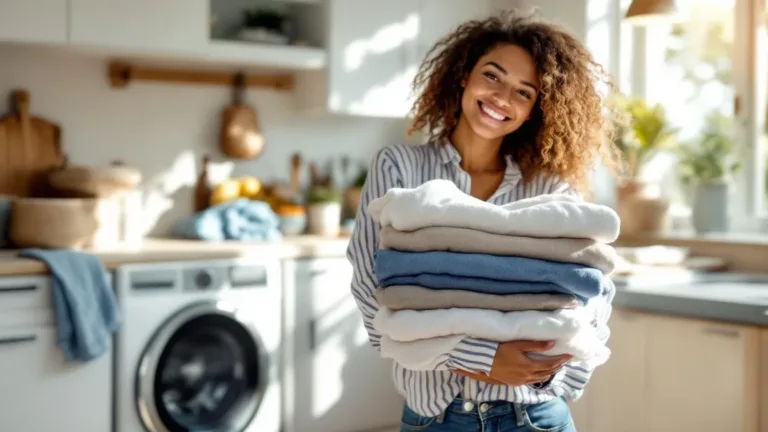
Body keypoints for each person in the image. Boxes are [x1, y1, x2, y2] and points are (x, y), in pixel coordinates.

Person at [347, 10, 620, 432]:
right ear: (463, 75)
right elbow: (374, 291)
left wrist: (549, 372)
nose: (501, 98)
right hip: (436, 420)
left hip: (534, 417)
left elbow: (592, 291)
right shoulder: (399, 168)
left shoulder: (549, 188)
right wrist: (481, 358)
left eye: (523, 92)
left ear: (533, 111)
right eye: (492, 76)